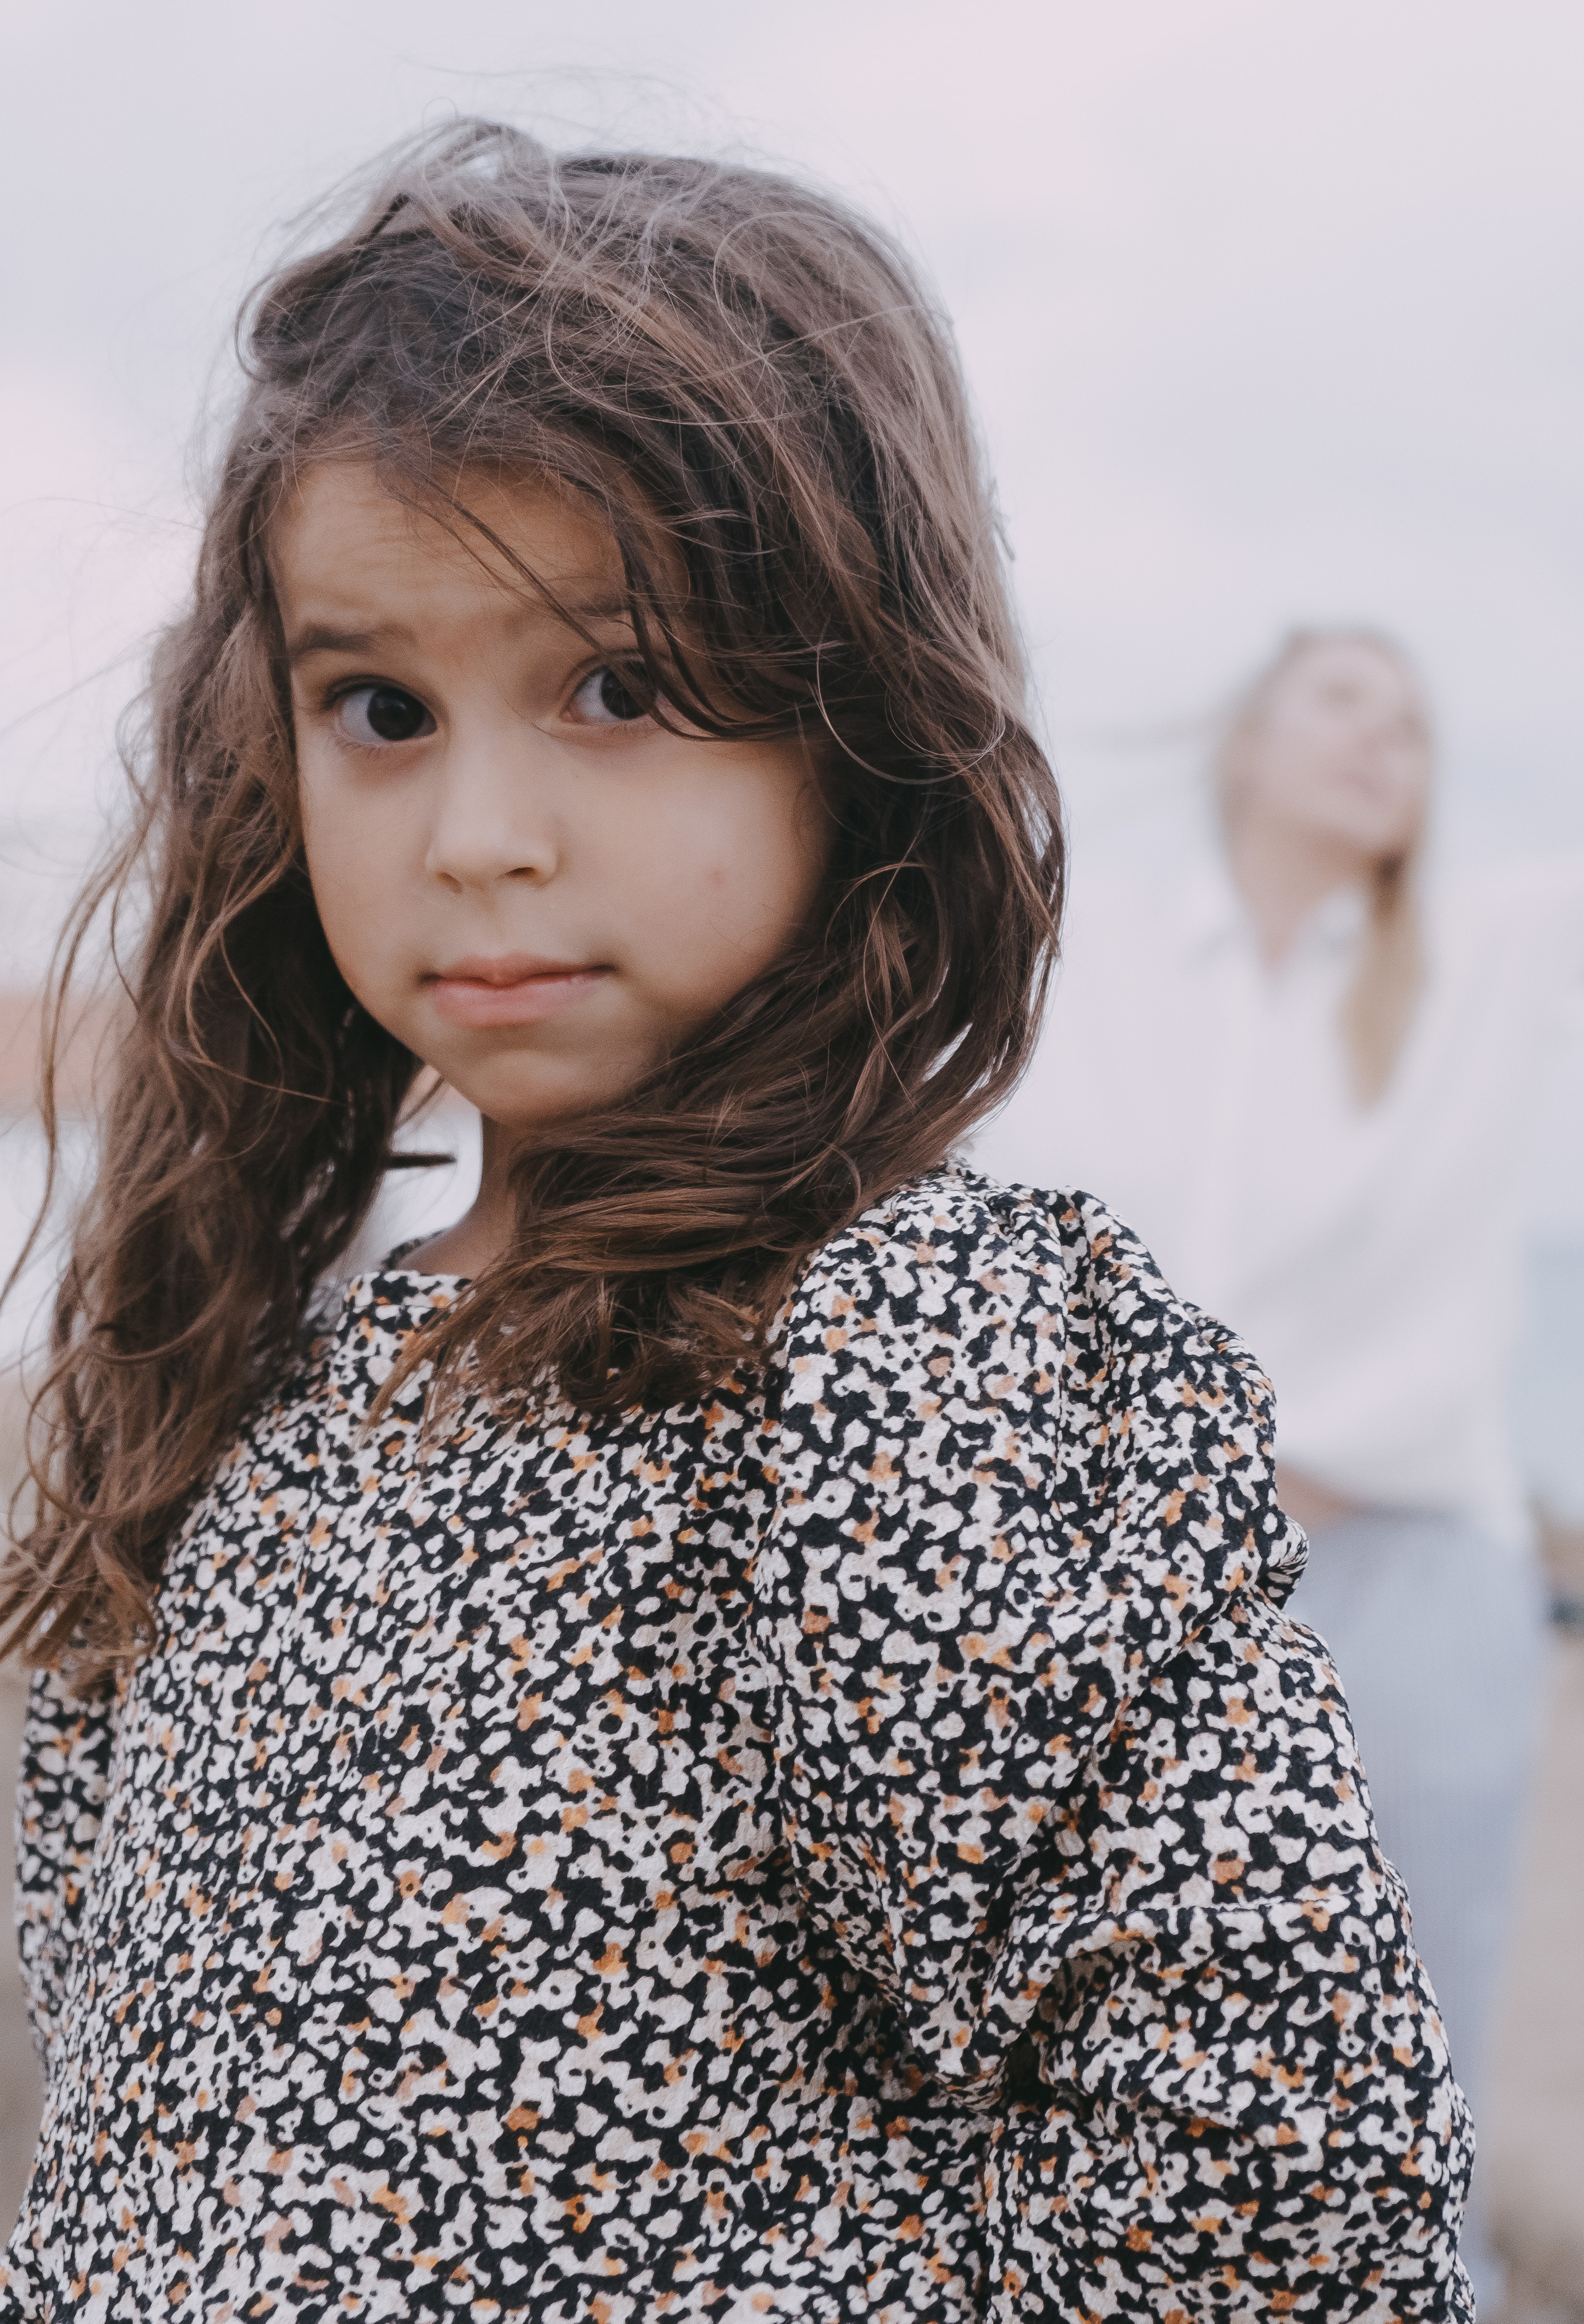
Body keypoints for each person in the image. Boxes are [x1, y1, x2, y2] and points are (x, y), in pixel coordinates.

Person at [0, 136, 1471, 2322]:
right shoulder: (232, 1376)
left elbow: (1275, 2185)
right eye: (378, 710)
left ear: (858, 722)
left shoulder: (920, 1351)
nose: (482, 837)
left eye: (619, 687)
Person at [979, 626, 1584, 2312]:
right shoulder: (1082, 959)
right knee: (1102, 2037)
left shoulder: (1486, 956)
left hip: (1410, 1575)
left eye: (1414, 722)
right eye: (1342, 699)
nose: (1383, 738)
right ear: (1248, 736)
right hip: (1123, 1584)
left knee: (1409, 2058)